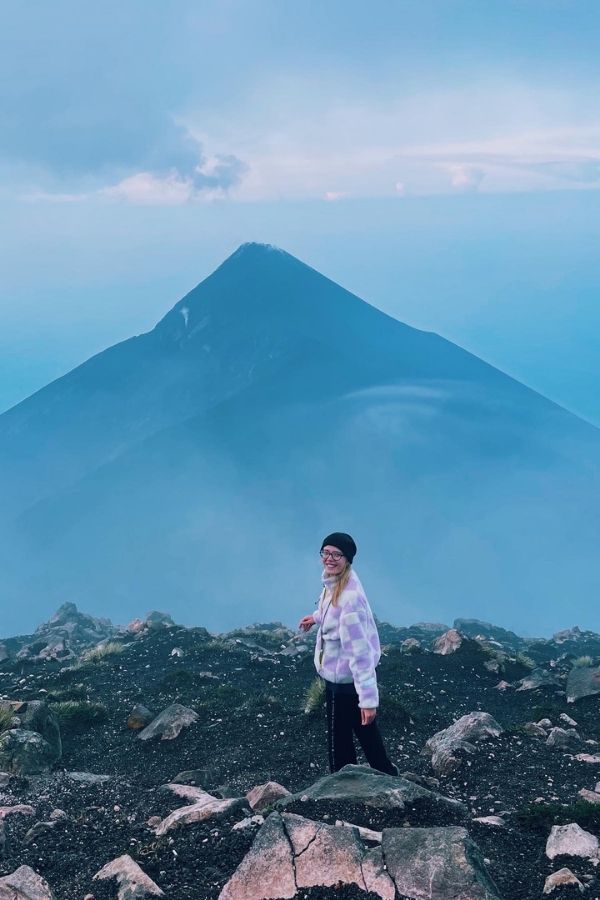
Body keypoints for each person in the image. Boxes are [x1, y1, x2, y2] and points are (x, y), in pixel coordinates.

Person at [299, 532, 398, 775]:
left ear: (347, 559)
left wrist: (368, 700)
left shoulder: (349, 599)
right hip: (346, 679)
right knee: (365, 731)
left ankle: (343, 787)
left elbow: (360, 654)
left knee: (338, 743)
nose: (329, 558)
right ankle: (387, 774)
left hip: (343, 680)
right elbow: (332, 612)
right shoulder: (336, 581)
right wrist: (316, 618)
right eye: (325, 552)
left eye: (336, 554)